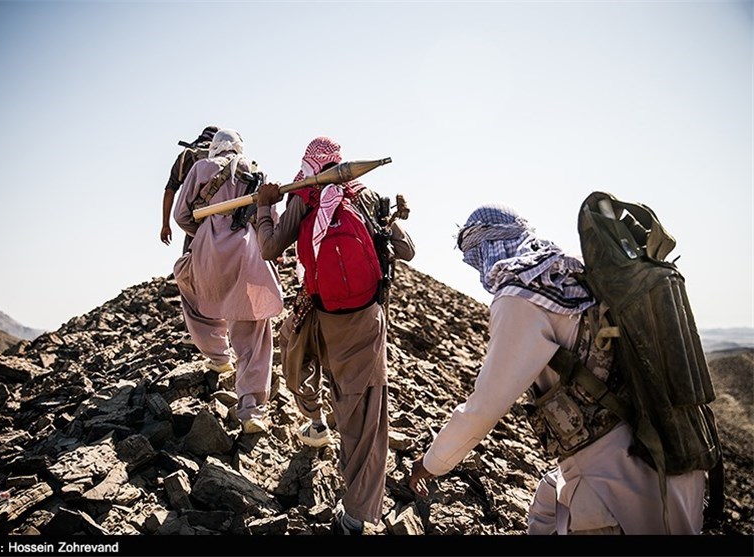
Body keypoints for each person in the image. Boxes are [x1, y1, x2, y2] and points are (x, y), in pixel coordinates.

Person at [408, 202, 706, 535]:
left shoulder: (519, 296)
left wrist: (431, 463)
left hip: (610, 482)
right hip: (666, 451)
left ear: (485, 247)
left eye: (474, 254)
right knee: (547, 505)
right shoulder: (571, 273)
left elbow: (484, 408)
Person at [255, 136, 415, 535]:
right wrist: (395, 219)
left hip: (316, 312)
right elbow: (406, 253)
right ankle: (357, 515)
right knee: (364, 413)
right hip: (365, 319)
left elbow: (270, 248)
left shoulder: (302, 195)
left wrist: (263, 207)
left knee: (295, 366)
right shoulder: (365, 195)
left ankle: (315, 423)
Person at [173, 128, 283, 434]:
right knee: (254, 334)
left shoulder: (201, 168)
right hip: (248, 257)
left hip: (208, 254)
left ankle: (218, 355)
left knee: (189, 288)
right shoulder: (257, 172)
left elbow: (181, 216)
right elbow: (270, 220)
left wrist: (210, 232)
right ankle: (251, 411)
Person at [161, 125, 218, 253]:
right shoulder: (225, 157)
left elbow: (170, 191)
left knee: (190, 264)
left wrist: (165, 224)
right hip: (223, 221)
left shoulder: (186, 155)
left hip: (194, 220)